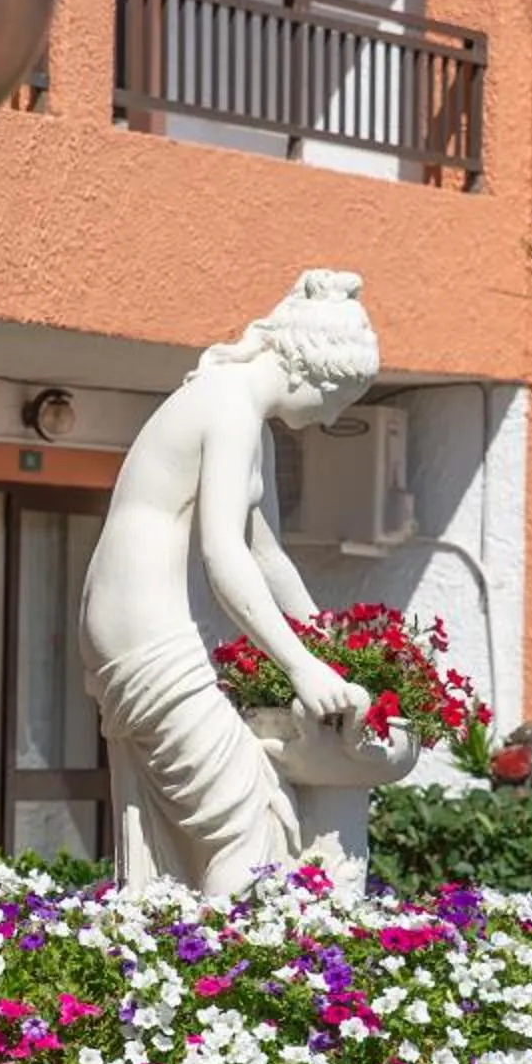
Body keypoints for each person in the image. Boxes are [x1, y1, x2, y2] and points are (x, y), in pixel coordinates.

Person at [80, 269, 376, 893]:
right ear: (306, 372)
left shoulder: (243, 412)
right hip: (144, 626)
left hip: (139, 620)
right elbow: (223, 556)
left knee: (240, 814)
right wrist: (300, 667)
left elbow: (266, 556)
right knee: (241, 820)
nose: (327, 419)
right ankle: (225, 981)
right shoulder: (228, 405)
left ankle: (202, 964)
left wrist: (332, 651)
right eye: (334, 401)